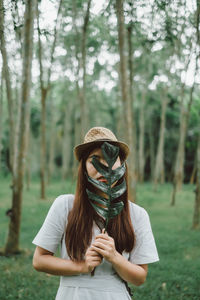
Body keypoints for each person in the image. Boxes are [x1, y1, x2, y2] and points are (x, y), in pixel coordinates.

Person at [32, 127, 159, 300]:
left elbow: (139, 277)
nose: (104, 166)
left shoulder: (138, 215)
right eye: (95, 160)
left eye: (110, 159)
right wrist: (82, 266)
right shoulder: (65, 205)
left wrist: (115, 257)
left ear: (122, 166)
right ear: (83, 166)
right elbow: (39, 261)